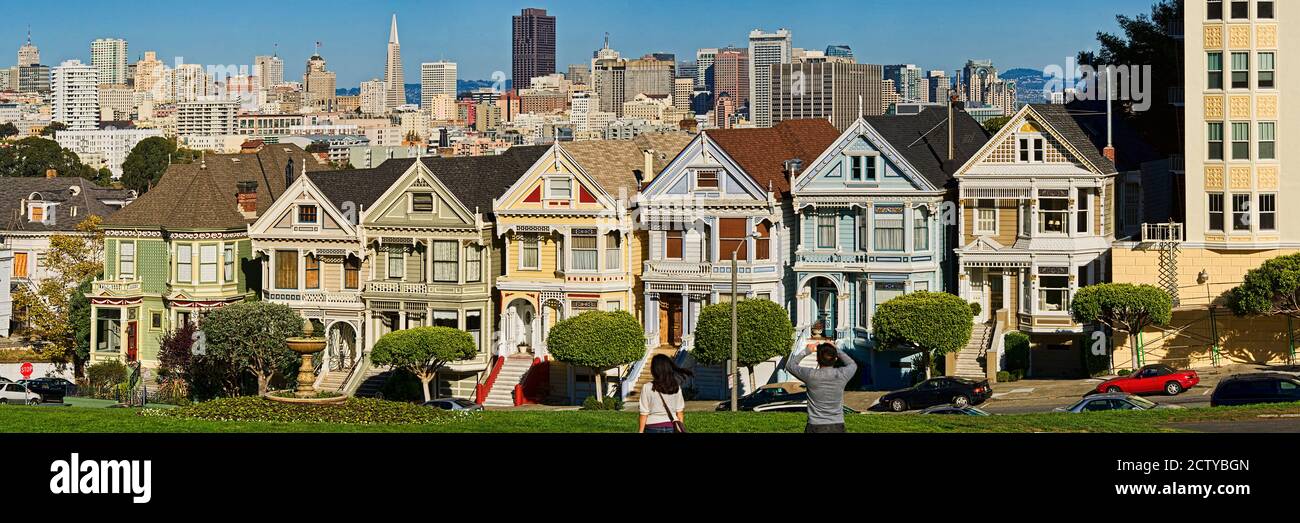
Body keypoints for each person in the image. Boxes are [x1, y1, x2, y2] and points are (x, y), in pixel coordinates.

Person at [785, 342, 857, 433]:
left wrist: (807, 351)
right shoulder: (842, 374)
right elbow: (852, 364)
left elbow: (790, 365)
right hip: (837, 425)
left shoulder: (810, 375)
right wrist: (836, 349)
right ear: (835, 359)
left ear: (817, 359)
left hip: (815, 426)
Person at [638, 354, 692, 433]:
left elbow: (644, 413)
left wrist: (640, 431)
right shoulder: (676, 387)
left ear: (654, 369)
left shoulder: (647, 387)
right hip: (671, 426)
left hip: (652, 427)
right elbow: (679, 412)